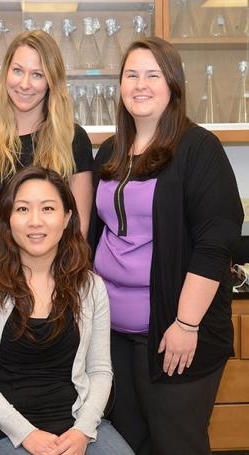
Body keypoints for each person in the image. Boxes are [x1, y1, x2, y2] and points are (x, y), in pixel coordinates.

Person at [89, 37, 244, 455]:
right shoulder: (111, 150)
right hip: (114, 338)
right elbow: (95, 233)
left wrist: (186, 323)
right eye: (131, 75)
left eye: (152, 75)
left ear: (173, 84)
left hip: (173, 335)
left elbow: (216, 240)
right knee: (128, 445)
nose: (140, 84)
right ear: (119, 86)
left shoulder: (198, 148)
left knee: (177, 445)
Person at [0, 166, 134, 455]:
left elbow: (101, 371)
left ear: (67, 218)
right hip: (4, 427)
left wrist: (82, 431)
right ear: (8, 219)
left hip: (75, 422)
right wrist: (27, 434)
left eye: (48, 208)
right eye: (23, 209)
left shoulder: (90, 287)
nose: (35, 221)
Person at [0, 30, 93, 257]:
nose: (24, 84)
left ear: (51, 82)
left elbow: (79, 228)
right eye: (17, 71)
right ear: (6, 74)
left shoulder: (74, 139)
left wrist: (51, 276)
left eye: (37, 74)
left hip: (57, 276)